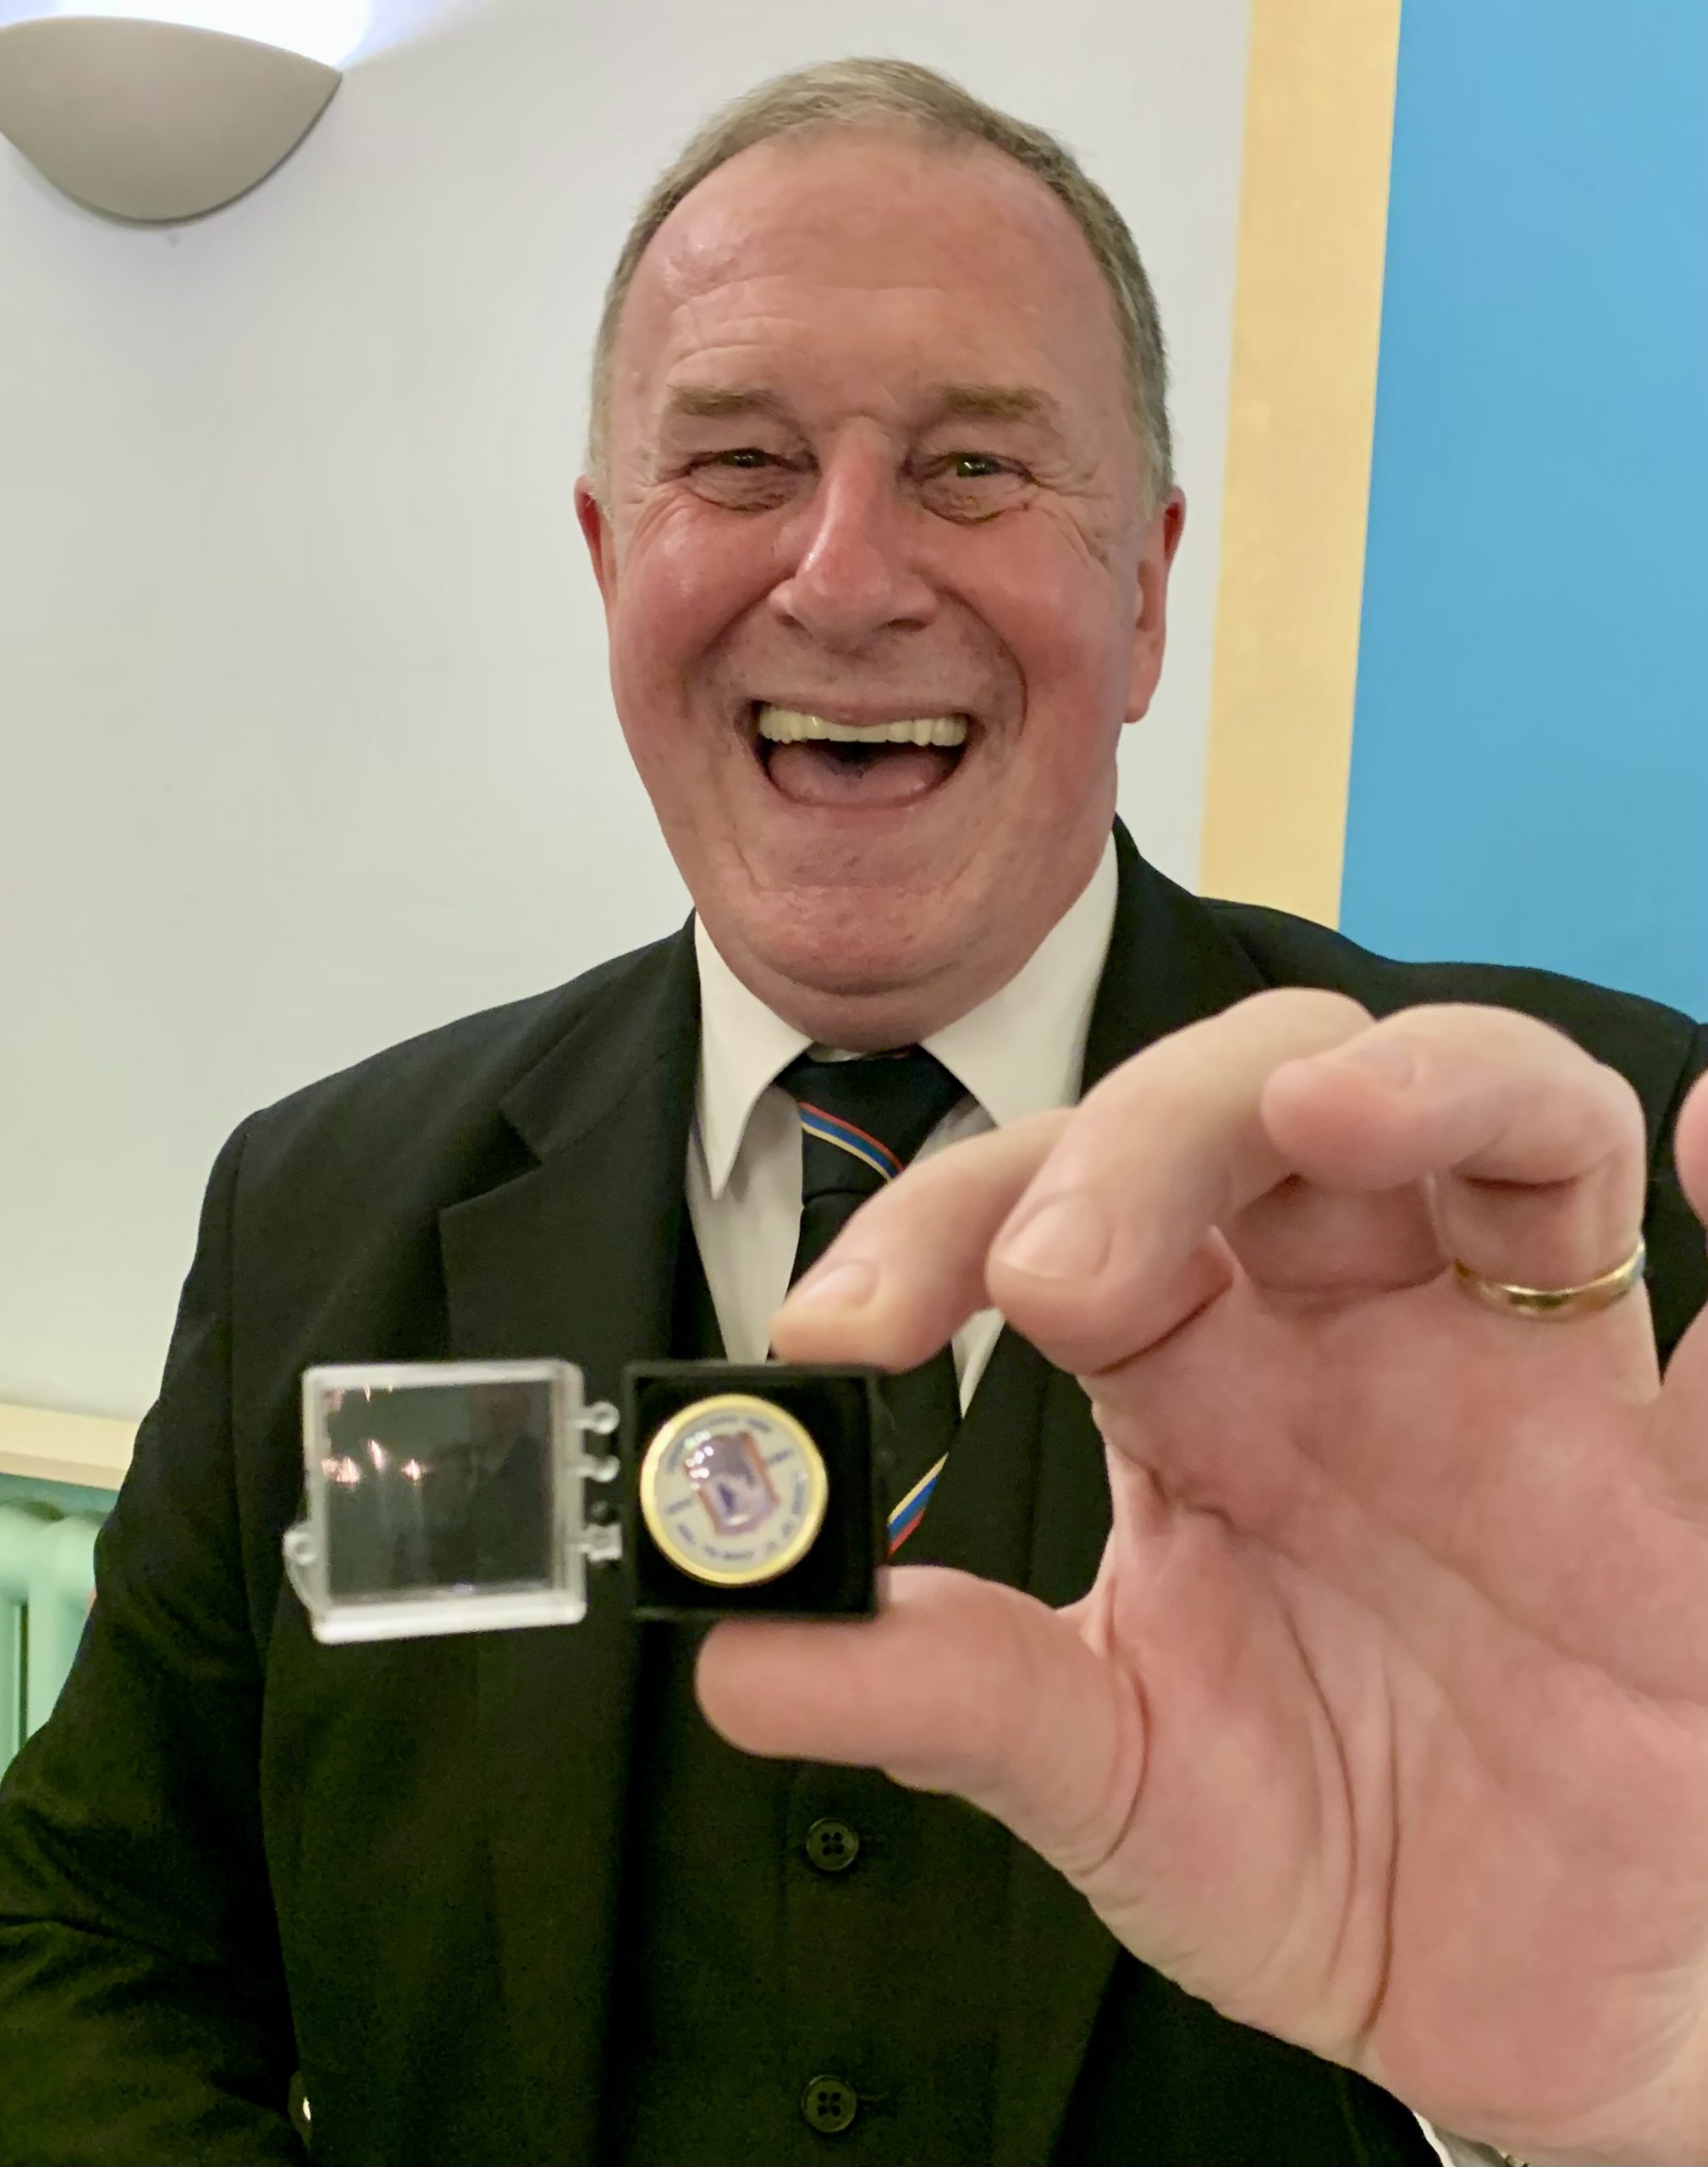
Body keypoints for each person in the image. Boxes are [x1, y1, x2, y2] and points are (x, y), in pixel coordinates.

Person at [1, 54, 1705, 2167]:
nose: (842, 571)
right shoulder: (316, 1210)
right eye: (737, 461)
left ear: (1147, 591)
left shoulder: (1568, 1221)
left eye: (975, 466)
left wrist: (1633, 2093)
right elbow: (85, 1934)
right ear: (608, 561)